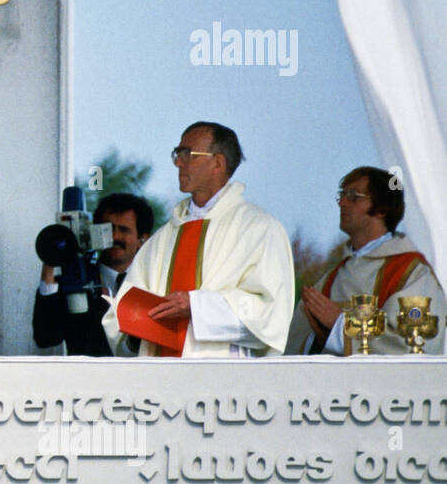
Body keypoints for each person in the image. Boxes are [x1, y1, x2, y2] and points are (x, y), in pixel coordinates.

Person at [102, 122, 294, 357]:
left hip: (222, 380)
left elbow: (271, 314)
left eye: (187, 154)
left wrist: (197, 307)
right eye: (177, 154)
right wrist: (132, 330)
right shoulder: (161, 239)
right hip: (159, 379)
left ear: (218, 163)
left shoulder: (260, 230)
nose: (178, 162)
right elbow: (122, 315)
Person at [288, 166, 444, 355]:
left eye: (353, 196)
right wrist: (322, 339)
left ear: (382, 209)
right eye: (342, 195)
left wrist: (340, 325)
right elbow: (295, 349)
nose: (343, 203)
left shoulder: (410, 273)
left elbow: (417, 345)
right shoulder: (331, 279)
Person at [33, 193, 152, 356]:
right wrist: (51, 259)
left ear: (142, 239)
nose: (115, 236)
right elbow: (46, 339)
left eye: (124, 230)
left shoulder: (151, 282)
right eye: (107, 229)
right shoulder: (74, 283)